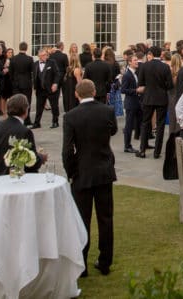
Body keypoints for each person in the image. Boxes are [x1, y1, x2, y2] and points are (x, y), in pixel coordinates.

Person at [62, 79, 117, 277]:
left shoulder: (71, 116)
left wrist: (71, 172)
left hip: (82, 171)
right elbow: (113, 131)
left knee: (81, 219)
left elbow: (67, 150)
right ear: (94, 91)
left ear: (77, 94)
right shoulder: (107, 111)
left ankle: (82, 264)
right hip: (103, 168)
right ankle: (105, 261)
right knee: (105, 218)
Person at [0, 94, 47, 176]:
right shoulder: (25, 131)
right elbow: (31, 163)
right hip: (16, 177)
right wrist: (41, 158)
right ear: (25, 110)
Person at [136, 45, 173, 159]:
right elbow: (170, 85)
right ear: (160, 54)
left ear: (151, 54)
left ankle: (142, 150)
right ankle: (157, 152)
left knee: (145, 122)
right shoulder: (165, 67)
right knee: (160, 125)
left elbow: (141, 83)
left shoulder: (144, 66)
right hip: (161, 98)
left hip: (148, 97)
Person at [32, 48, 62, 129]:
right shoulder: (35, 64)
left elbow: (57, 74)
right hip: (40, 89)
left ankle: (55, 122)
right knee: (39, 107)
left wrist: (55, 84)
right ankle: (37, 123)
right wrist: (35, 88)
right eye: (44, 55)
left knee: (54, 106)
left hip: (51, 88)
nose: (46, 56)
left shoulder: (52, 62)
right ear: (39, 56)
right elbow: (35, 77)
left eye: (46, 54)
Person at [119, 52, 142, 153]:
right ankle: (127, 146)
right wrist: (136, 90)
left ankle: (143, 143)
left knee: (141, 123)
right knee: (129, 125)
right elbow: (123, 90)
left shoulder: (135, 73)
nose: (137, 62)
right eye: (135, 60)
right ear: (129, 62)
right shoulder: (127, 75)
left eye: (137, 60)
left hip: (137, 103)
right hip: (130, 104)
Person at [8, 42, 34, 124]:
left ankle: (15, 119)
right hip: (26, 83)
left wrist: (13, 81)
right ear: (26, 48)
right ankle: (27, 120)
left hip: (16, 83)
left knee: (16, 102)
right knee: (27, 101)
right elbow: (32, 71)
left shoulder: (13, 59)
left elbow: (10, 72)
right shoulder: (29, 59)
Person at [51, 41, 73, 111]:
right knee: (65, 94)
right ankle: (66, 108)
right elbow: (67, 67)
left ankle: (55, 107)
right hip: (63, 76)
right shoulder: (64, 56)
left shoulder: (51, 55)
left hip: (54, 77)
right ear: (61, 47)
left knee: (55, 94)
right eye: (63, 46)